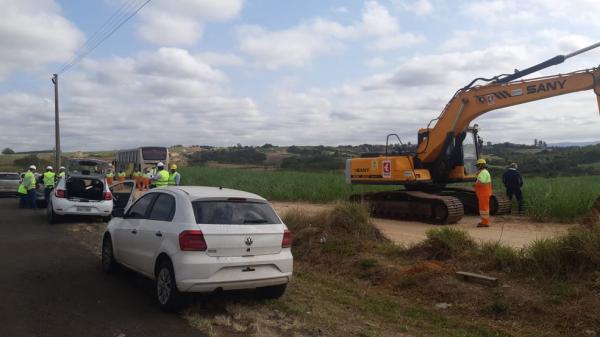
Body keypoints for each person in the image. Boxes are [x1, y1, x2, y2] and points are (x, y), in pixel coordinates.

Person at [474, 158, 492, 227]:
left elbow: (480, 182)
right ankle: (485, 221)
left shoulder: (483, 172)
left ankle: (485, 222)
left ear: (481, 165)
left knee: (483, 209)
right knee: (484, 208)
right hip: (484, 193)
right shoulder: (484, 172)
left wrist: (474, 185)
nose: (477, 167)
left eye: (477, 165)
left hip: (483, 194)